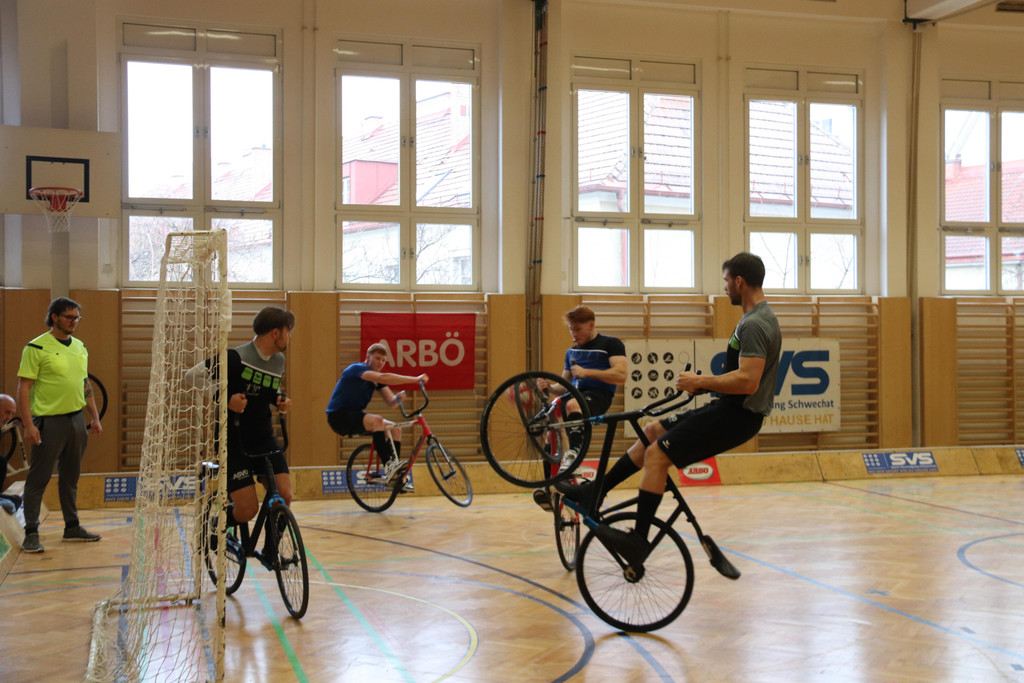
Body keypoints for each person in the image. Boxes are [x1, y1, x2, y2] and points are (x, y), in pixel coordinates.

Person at [557, 252, 782, 566]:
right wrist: (704, 386)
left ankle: (638, 541)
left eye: (727, 280)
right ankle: (595, 491)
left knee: (657, 455)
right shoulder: (754, 318)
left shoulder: (755, 323)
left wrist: (701, 380)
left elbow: (748, 381)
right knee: (652, 431)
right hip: (729, 408)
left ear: (739, 281)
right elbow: (742, 378)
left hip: (738, 417)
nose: (725, 287)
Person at [190, 307, 295, 526]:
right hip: (233, 441)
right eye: (288, 331)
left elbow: (268, 388)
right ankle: (215, 530)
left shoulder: (279, 361)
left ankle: (273, 546)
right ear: (276, 333)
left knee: (285, 495)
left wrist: (278, 398)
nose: (290, 337)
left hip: (264, 437)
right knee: (248, 510)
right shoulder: (235, 358)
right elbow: (192, 376)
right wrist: (224, 398)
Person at [16, 298, 104, 553]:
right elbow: (24, 388)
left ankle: (72, 526)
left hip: (76, 421)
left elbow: (84, 384)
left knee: (70, 477)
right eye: (69, 317)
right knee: (38, 478)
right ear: (54, 317)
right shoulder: (36, 347)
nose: (74, 322)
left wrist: (94, 417)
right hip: (48, 422)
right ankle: (31, 533)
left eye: (77, 318)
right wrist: (29, 425)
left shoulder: (79, 347)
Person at [533, 305, 626, 511]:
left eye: (577, 329)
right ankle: (549, 488)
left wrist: (588, 372)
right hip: (574, 395)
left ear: (591, 325)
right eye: (571, 330)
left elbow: (621, 375)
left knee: (573, 404)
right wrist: (550, 387)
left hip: (598, 396)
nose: (573, 335)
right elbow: (564, 386)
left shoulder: (610, 344)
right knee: (550, 426)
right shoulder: (572, 352)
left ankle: (574, 453)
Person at [326, 343, 428, 492]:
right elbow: (383, 377)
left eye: (383, 360)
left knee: (394, 429)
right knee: (377, 421)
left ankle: (396, 478)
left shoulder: (376, 379)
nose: (380, 363)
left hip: (355, 414)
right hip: (338, 416)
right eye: (377, 358)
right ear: (368, 357)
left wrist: (398, 399)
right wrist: (415, 379)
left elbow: (391, 402)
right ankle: (389, 467)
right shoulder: (357, 368)